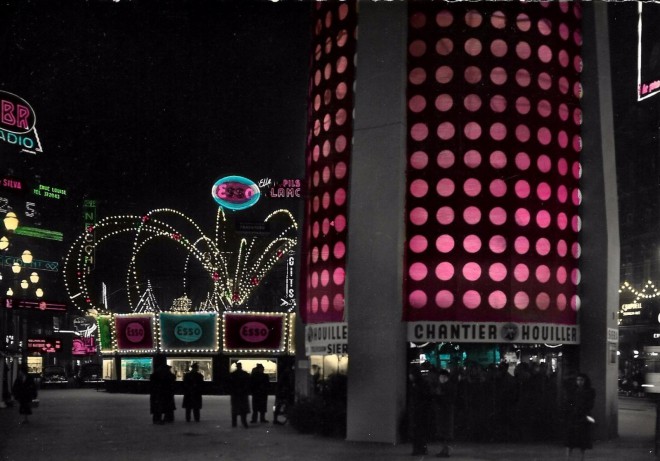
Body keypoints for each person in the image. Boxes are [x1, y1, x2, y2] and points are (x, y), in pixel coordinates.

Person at [563, 373, 596, 460]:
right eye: (578, 380)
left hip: (583, 415)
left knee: (583, 437)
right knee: (570, 437)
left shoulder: (590, 391)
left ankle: (582, 457)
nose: (579, 382)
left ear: (585, 381)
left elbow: (590, 404)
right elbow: (568, 402)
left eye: (581, 380)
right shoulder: (573, 390)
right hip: (574, 415)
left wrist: (582, 409)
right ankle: (569, 457)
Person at [407, 366, 433, 456]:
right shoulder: (423, 384)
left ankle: (417, 449)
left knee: (417, 431)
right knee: (421, 431)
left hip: (418, 411)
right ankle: (422, 449)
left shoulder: (416, 385)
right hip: (423, 411)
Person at [433, 369, 457, 458]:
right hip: (446, 411)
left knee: (444, 431)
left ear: (444, 377)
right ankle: (445, 450)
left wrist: (439, 396)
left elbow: (445, 399)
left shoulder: (446, 386)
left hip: (445, 411)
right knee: (445, 432)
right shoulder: (448, 386)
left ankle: (446, 450)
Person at [228, 362, 251, 428]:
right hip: (243, 394)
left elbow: (229, 384)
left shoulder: (233, 375)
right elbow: (248, 383)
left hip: (235, 394)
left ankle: (234, 423)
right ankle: (244, 422)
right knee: (243, 410)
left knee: (235, 409)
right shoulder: (245, 374)